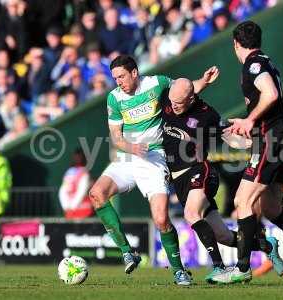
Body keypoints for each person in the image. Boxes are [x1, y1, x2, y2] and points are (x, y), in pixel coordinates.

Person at [211, 21, 283, 284]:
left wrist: (251, 120)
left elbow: (271, 93)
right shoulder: (267, 60)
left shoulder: (253, 64)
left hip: (271, 141)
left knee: (243, 201)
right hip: (280, 139)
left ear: (235, 44)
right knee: (271, 207)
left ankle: (242, 267)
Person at [88, 55, 218, 285]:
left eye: (122, 76)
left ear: (135, 72)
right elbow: (116, 137)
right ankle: (128, 252)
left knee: (160, 219)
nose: (118, 82)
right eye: (115, 78)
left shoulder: (156, 84)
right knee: (96, 194)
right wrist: (131, 147)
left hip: (155, 157)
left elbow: (183, 90)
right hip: (128, 156)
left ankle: (178, 270)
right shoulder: (114, 98)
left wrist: (204, 81)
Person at [161, 78, 283, 283]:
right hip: (179, 181)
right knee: (225, 237)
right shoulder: (169, 96)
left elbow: (228, 135)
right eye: (171, 102)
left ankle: (219, 267)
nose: (173, 106)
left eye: (179, 103)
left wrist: (254, 143)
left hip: (199, 171)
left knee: (191, 213)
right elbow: (187, 88)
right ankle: (266, 245)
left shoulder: (206, 114)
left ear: (190, 99)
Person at [59, 149, 93, 219]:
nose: (77, 159)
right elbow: (63, 190)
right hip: (74, 210)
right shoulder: (71, 171)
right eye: (76, 157)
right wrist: (68, 208)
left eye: (79, 157)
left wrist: (70, 208)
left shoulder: (83, 172)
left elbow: (82, 191)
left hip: (81, 210)